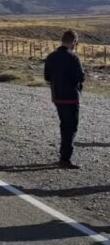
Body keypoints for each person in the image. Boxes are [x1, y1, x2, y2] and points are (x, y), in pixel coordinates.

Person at [44, 30, 85, 169]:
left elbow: (46, 77)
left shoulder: (51, 57)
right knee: (71, 127)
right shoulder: (73, 58)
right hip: (71, 98)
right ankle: (65, 158)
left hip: (57, 97)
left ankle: (64, 155)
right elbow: (80, 77)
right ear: (73, 41)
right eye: (76, 43)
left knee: (64, 125)